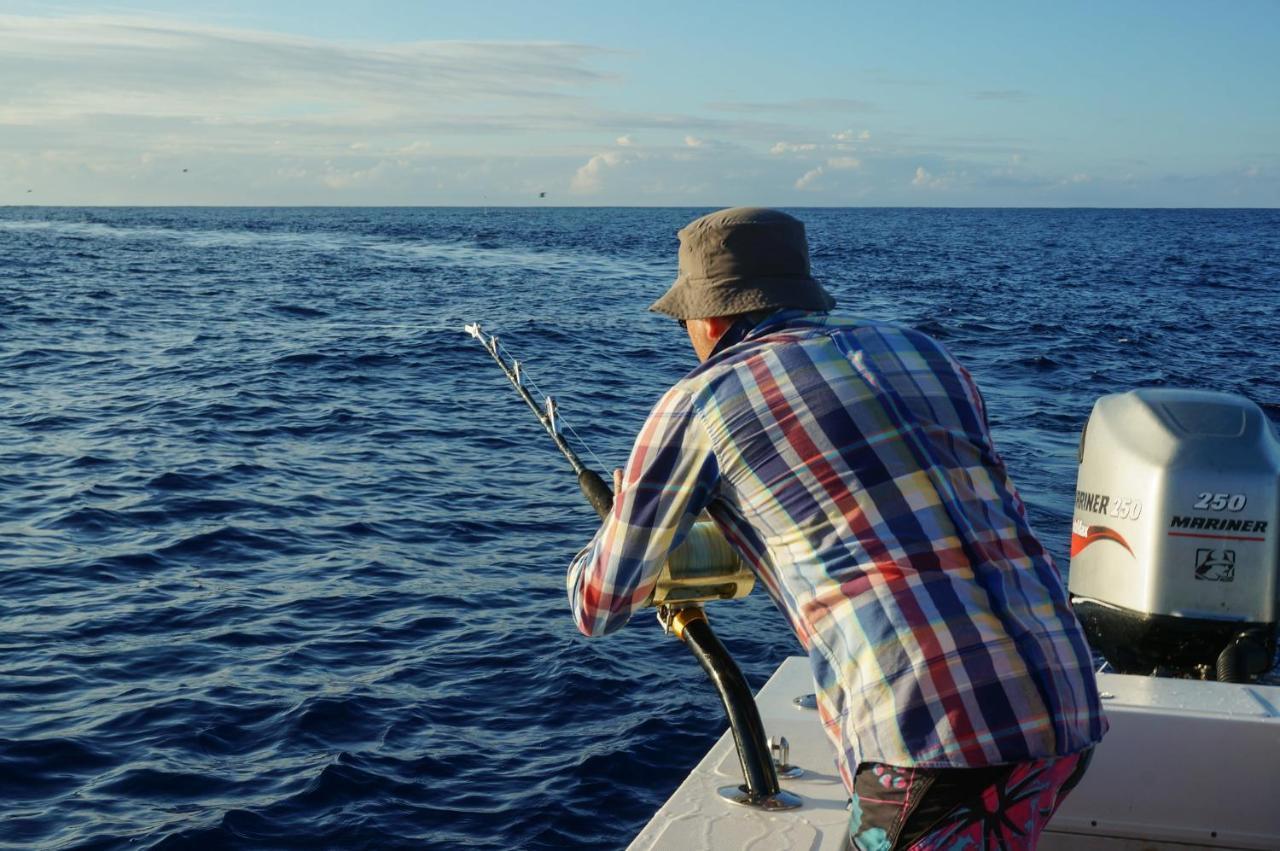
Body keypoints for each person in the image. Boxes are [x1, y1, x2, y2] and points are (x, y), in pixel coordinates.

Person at [566, 207, 1106, 850]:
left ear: (706, 317)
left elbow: (601, 604)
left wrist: (625, 523)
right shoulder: (925, 353)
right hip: (1066, 702)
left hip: (935, 735)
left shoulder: (698, 401)